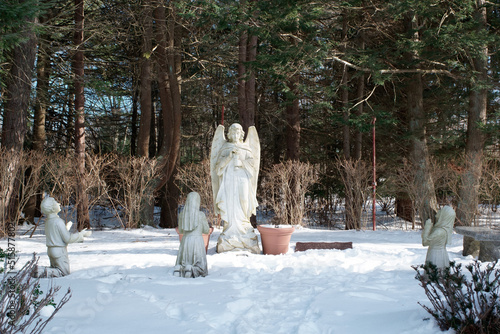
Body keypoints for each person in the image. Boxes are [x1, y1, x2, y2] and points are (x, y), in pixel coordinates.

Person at [210, 123, 261, 254]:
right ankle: (230, 228)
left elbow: (253, 167)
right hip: (228, 180)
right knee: (230, 202)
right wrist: (229, 158)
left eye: (238, 132)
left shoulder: (246, 148)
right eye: (233, 132)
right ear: (229, 134)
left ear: (242, 134)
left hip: (243, 178)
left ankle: (244, 226)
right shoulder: (225, 148)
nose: (235, 134)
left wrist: (241, 162)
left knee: (244, 200)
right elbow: (218, 169)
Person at [35, 196, 92, 278]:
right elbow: (68, 239)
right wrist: (81, 235)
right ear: (52, 208)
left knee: (55, 270)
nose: (58, 204)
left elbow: (56, 234)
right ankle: (39, 271)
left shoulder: (48, 221)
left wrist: (65, 228)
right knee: (63, 272)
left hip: (51, 250)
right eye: (56, 203)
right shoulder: (58, 221)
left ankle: (41, 271)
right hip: (59, 251)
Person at [174, 192, 209, 278]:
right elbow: (206, 230)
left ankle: (180, 268)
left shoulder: (182, 214)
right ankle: (192, 269)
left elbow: (181, 230)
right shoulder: (201, 215)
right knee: (201, 266)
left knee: (184, 259)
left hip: (185, 241)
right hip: (197, 242)